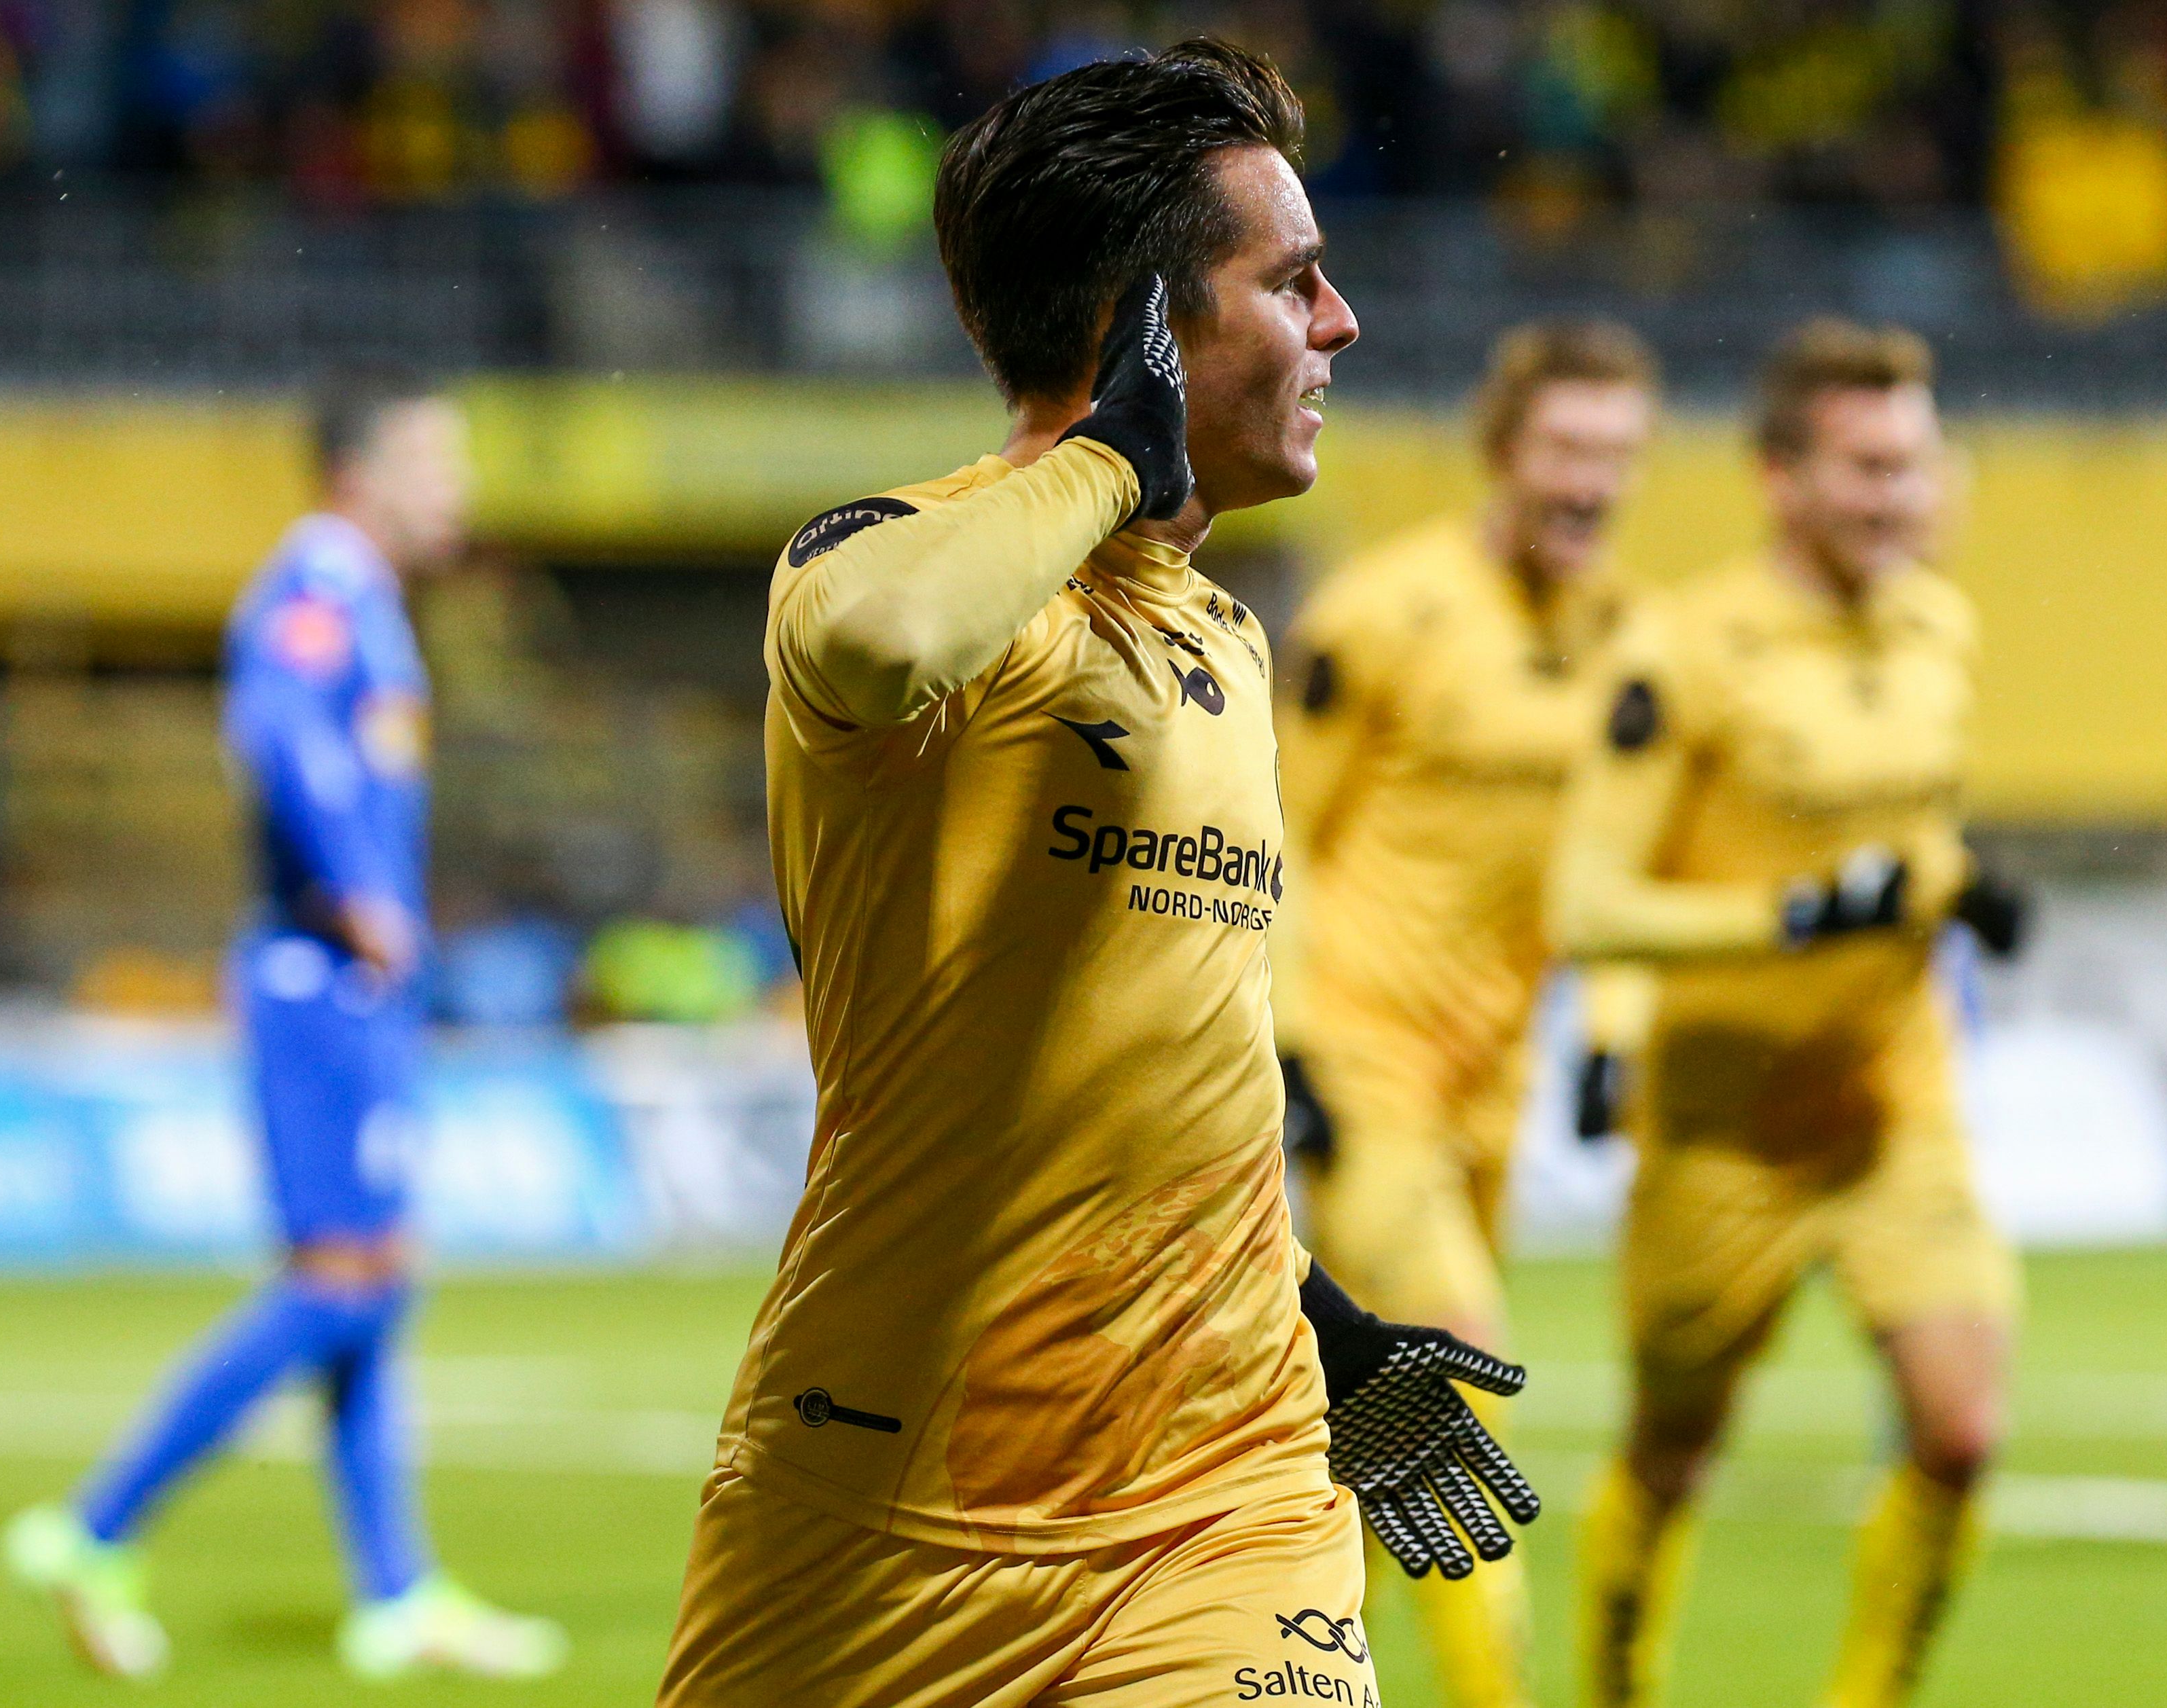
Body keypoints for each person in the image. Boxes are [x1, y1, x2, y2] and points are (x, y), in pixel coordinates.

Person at [655, 41, 1537, 1708]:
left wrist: (1309, 1313)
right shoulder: (885, 560)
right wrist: (1114, 456)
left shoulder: (1227, 640)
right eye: (1291, 281)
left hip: (1223, 1491)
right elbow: (880, 638)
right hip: (888, 1484)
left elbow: (1163, 1057)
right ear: (1147, 327)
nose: (1340, 323)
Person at [2, 369, 566, 1684]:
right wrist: (363, 896)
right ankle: (95, 1526)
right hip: (320, 981)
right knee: (344, 1282)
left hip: (350, 987)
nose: (457, 488)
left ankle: (396, 1593)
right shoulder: (317, 587)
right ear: (358, 474)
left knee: (378, 1279)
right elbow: (277, 732)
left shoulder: (364, 597)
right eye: (433, 462)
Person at [1557, 319, 2028, 1708]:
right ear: (1780, 478)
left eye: (1913, 463)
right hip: (1721, 1129)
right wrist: (1793, 918)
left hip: (1891, 1106)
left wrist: (1958, 888)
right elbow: (1586, 905)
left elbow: (1914, 833)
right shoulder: (1680, 651)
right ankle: (1615, 1691)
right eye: (1867, 467)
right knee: (1671, 1453)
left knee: (1960, 1430)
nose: (1899, 494)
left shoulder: (1940, 624)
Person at [1275, 318, 1660, 1708]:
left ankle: (1295, 1673)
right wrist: (1290, 1043)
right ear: (1501, 451)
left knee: (1362, 1435)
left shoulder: (1630, 637)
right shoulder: (1384, 614)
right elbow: (1275, 830)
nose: (1589, 481)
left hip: (1494, 1075)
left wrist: (1610, 1028)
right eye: (1564, 447)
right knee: (1450, 1386)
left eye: (1615, 453)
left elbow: (1622, 865)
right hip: (1363, 1054)